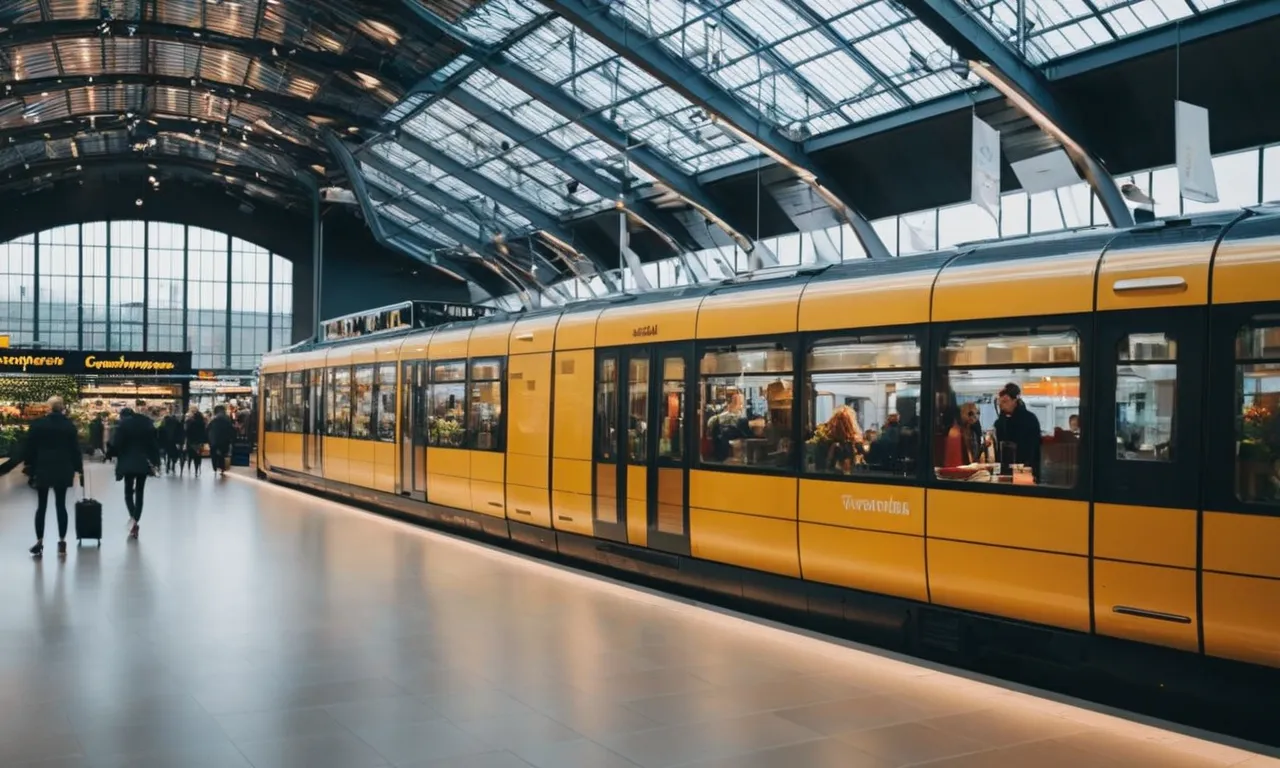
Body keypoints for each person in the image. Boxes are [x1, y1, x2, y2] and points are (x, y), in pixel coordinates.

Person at [15, 397, 83, 558]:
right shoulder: (69, 426)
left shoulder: (38, 425)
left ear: (49, 408)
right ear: (62, 408)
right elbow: (75, 450)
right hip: (63, 469)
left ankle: (39, 542)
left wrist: (29, 467)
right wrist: (79, 469)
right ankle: (62, 542)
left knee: (42, 506)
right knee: (61, 505)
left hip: (43, 468)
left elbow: (29, 448)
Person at [110, 406, 159, 539]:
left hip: (127, 461)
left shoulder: (122, 426)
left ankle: (133, 520)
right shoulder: (146, 425)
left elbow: (116, 444)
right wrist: (156, 461)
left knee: (128, 492)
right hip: (143, 462)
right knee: (140, 492)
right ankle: (136, 520)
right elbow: (154, 444)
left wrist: (111, 454)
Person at [994, 382, 1043, 480]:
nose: (1001, 405)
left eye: (1005, 401)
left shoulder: (1029, 419)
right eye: (1000, 402)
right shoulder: (1000, 421)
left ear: (1014, 400)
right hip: (1006, 469)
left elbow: (1032, 448)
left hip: (1025, 469)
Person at [208, 405, 235, 478]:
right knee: (223, 454)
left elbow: (208, 429)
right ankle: (222, 468)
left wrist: (209, 439)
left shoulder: (214, 419)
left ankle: (215, 467)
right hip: (224, 440)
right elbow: (231, 430)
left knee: (214, 454)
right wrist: (231, 439)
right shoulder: (227, 419)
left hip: (214, 439)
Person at [184, 406, 208, 478]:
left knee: (191, 456)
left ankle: (189, 467)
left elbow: (187, 432)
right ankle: (197, 469)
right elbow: (204, 433)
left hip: (191, 442)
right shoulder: (202, 424)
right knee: (198, 456)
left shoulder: (191, 423)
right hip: (199, 443)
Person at [160, 410, 184, 474]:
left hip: (167, 441)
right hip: (175, 442)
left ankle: (168, 466)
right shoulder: (178, 424)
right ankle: (173, 465)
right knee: (174, 453)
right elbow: (181, 433)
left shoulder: (164, 424)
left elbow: (160, 432)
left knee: (168, 454)